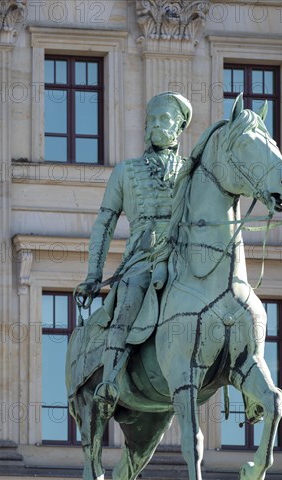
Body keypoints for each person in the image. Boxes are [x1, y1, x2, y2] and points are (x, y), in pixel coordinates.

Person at [75, 92, 192, 413]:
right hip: (143, 259)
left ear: (180, 126)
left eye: (164, 119)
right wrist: (93, 276)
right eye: (151, 120)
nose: (155, 125)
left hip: (185, 258)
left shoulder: (193, 171)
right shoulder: (126, 171)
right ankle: (110, 378)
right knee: (129, 299)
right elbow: (104, 223)